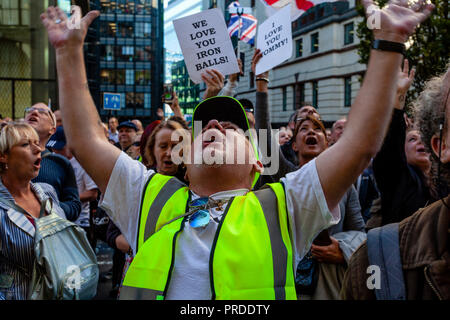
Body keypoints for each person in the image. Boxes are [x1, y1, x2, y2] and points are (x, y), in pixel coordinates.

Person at [41, 1, 433, 300]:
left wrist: (388, 43)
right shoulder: (147, 197)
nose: (212, 126)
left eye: (230, 128)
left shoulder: (284, 206)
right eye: (206, 126)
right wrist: (67, 52)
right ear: (187, 163)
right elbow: (87, 139)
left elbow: (360, 144)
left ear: (257, 162)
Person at [341, 62, 449, 301]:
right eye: (411, 139)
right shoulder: (400, 181)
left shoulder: (440, 186)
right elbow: (389, 157)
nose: (418, 141)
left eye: (422, 136)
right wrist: (395, 105)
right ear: (441, 147)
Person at [0, 122, 66, 300]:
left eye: (37, 142)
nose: (38, 149)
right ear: (3, 156)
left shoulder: (48, 192)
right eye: (25, 144)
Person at [371, 59, 432, 226]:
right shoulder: (397, 178)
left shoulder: (443, 181)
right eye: (412, 139)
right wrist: (398, 100)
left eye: (424, 139)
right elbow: (391, 147)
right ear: (402, 150)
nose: (421, 142)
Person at [25, 103, 81, 222]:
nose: (34, 112)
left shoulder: (61, 163)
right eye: (30, 110)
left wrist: (48, 208)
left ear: (52, 129)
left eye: (42, 112)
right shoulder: (5, 157)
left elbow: (74, 206)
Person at [47, 126, 99, 248]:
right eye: (53, 148)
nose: (55, 151)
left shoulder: (84, 162)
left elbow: (92, 193)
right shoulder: (51, 160)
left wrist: (64, 201)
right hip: (56, 222)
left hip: (79, 223)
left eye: (59, 148)